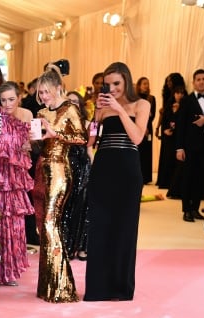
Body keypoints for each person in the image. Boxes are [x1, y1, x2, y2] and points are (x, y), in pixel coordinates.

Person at [84, 62, 149, 302]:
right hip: (103, 168)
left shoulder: (142, 104)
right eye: (108, 84)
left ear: (127, 82)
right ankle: (98, 288)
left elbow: (137, 137)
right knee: (100, 227)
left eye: (117, 84)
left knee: (124, 228)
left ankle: (121, 288)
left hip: (128, 171)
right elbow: (90, 141)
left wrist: (120, 110)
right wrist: (95, 115)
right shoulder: (102, 106)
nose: (112, 89)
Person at [33, 68, 86, 303]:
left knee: (50, 222)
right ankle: (49, 285)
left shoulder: (70, 109)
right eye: (40, 92)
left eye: (46, 91)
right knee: (45, 226)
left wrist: (56, 134)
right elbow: (38, 141)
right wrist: (31, 138)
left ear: (57, 88)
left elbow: (82, 138)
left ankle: (62, 286)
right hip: (43, 167)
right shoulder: (42, 111)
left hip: (60, 169)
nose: (43, 96)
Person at [0, 81, 34, 286]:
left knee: (16, 225)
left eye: (11, 99)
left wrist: (29, 146)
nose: (7, 104)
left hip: (17, 179)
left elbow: (29, 147)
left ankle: (10, 271)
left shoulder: (26, 116)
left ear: (19, 97)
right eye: (3, 100)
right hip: (0, 179)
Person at [175, 69, 204, 223]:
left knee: (200, 177)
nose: (202, 82)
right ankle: (186, 209)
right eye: (199, 79)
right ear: (194, 82)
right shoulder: (186, 101)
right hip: (189, 146)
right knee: (188, 177)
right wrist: (179, 148)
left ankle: (195, 208)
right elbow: (180, 125)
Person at [62, 91, 92, 261]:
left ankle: (82, 247)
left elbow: (89, 149)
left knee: (83, 206)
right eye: (69, 101)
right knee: (66, 208)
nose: (72, 104)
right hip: (65, 167)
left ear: (80, 105)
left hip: (82, 167)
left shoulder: (89, 124)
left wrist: (94, 169)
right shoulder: (61, 124)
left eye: (75, 101)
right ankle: (68, 245)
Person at [136, 77, 156, 184]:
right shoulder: (135, 98)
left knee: (147, 151)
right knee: (139, 151)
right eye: (144, 84)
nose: (146, 86)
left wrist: (147, 123)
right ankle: (138, 175)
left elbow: (152, 116)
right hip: (138, 127)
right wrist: (142, 127)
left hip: (149, 128)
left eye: (147, 84)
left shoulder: (152, 98)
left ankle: (146, 177)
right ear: (139, 85)